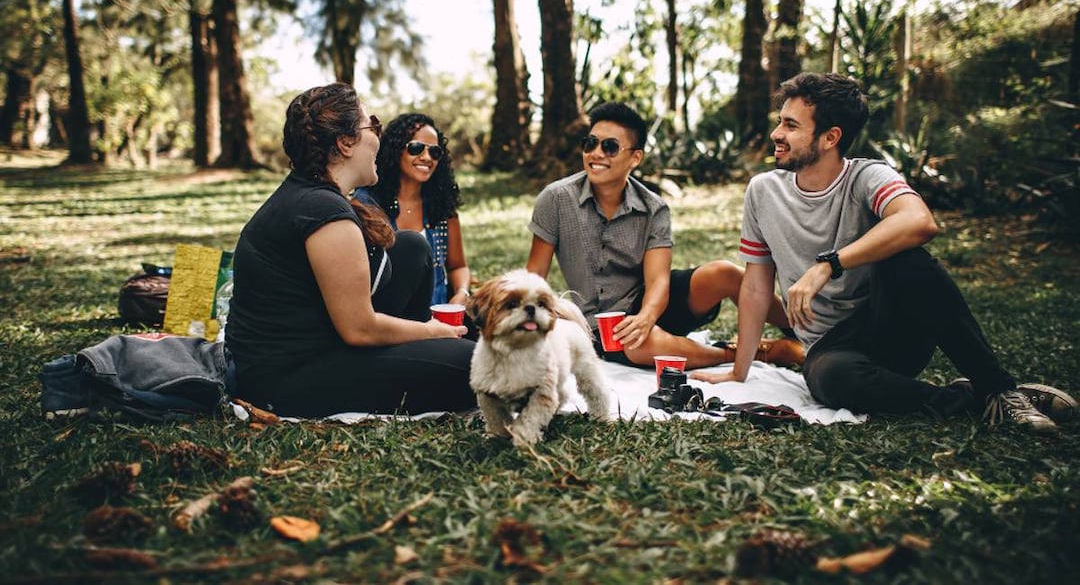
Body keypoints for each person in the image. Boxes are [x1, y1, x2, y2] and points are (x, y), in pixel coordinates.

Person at [691, 71, 1076, 432]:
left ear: (830, 137)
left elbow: (919, 222)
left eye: (791, 125)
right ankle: (973, 399)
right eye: (780, 121)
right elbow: (757, 287)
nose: (777, 133)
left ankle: (998, 389)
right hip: (830, 348)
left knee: (908, 259)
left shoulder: (867, 176)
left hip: (892, 327)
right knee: (833, 380)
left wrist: (829, 264)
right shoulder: (763, 191)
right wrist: (739, 372)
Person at [226, 83, 476, 417]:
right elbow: (359, 329)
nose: (378, 136)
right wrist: (432, 331)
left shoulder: (316, 195)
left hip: (325, 341)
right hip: (289, 377)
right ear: (345, 143)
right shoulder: (322, 211)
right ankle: (431, 351)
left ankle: (425, 351)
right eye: (372, 125)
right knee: (476, 366)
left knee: (411, 248)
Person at [526, 101, 803, 370]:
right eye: (590, 143)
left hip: (651, 303)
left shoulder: (653, 208)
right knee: (640, 344)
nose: (596, 153)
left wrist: (646, 317)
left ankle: (804, 333)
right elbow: (534, 275)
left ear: (635, 157)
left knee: (725, 273)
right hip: (601, 325)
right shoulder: (556, 199)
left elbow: (658, 280)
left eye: (609, 147)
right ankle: (754, 353)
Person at [356, 113, 471, 306]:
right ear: (395, 150)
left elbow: (458, 266)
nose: (427, 157)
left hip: (438, 319)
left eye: (435, 152)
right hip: (388, 320)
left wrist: (462, 293)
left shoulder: (441, 206)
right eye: (416, 148)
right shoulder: (367, 204)